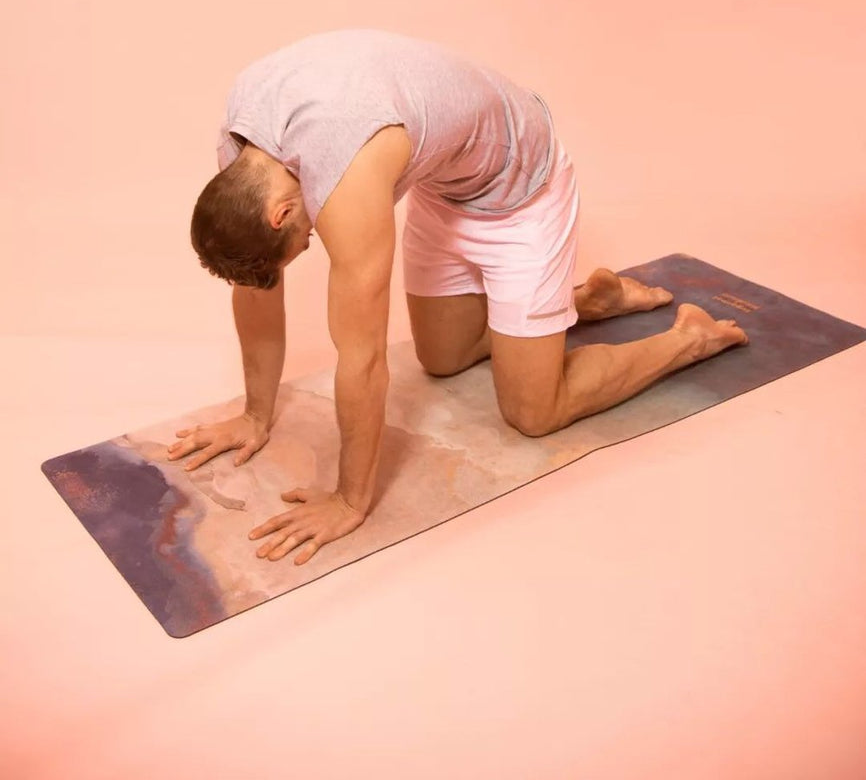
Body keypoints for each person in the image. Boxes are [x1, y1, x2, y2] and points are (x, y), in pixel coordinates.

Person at [168, 28, 748, 565]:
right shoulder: (242, 154)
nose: (312, 241)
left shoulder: (347, 172)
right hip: (445, 185)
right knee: (441, 360)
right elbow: (256, 288)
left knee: (533, 412)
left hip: (523, 191)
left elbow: (363, 358)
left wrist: (349, 500)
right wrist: (254, 416)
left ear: (282, 213)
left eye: (303, 240)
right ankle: (583, 302)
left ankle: (686, 338)